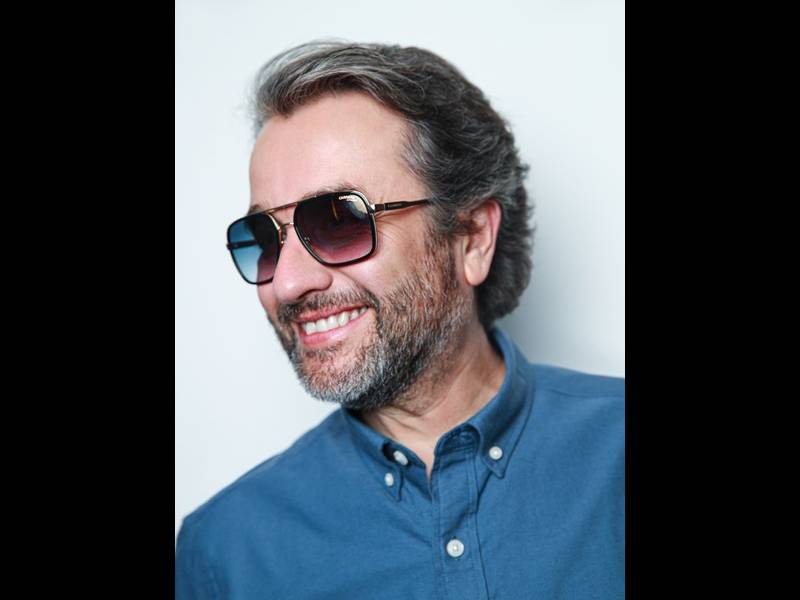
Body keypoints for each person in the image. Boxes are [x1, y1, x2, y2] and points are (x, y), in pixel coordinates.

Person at [176, 40, 624, 599]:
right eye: (263, 239)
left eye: (338, 220)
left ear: (472, 238)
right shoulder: (225, 553)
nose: (287, 284)